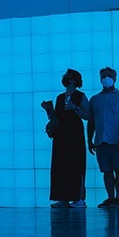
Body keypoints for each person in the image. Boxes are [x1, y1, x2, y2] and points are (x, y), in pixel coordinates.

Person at [40, 68, 90, 208]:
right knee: (60, 165)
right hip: (61, 135)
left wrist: (75, 108)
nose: (64, 78)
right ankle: (62, 198)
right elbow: (57, 117)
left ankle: (78, 198)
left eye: (67, 76)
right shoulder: (60, 98)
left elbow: (88, 116)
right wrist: (48, 111)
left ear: (74, 80)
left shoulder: (81, 96)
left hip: (74, 135)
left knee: (75, 164)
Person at [86, 67, 119, 208]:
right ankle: (110, 198)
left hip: (117, 140)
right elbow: (91, 122)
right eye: (104, 75)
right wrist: (89, 140)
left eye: (109, 75)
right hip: (101, 140)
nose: (106, 78)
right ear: (100, 78)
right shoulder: (95, 99)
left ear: (115, 78)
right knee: (106, 170)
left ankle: (118, 198)